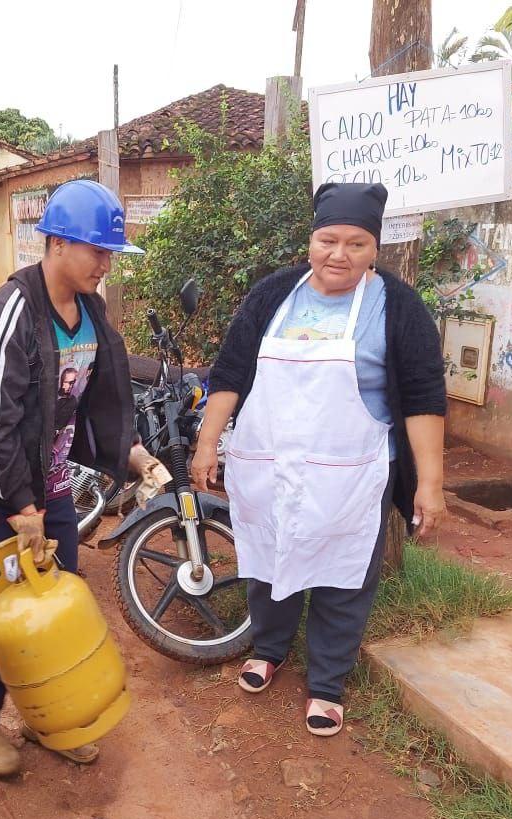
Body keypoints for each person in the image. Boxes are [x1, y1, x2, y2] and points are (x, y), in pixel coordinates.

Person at [191, 182, 447, 737]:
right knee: (267, 554)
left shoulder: (397, 306)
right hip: (270, 461)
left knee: (343, 573)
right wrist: (208, 441)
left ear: (374, 247)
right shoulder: (273, 294)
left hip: (351, 471)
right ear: (310, 239)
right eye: (328, 239)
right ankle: (269, 648)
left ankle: (327, 682)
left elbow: (425, 396)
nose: (340, 254)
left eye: (356, 243)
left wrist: (430, 482)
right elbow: (231, 370)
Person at [0, 179, 143, 777]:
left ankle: (45, 717)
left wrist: (132, 453)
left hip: (52, 488)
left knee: (56, 606)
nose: (105, 265)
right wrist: (20, 507)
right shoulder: (9, 312)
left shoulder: (90, 311)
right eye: (96, 251)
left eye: (111, 254)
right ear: (56, 242)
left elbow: (105, 392)